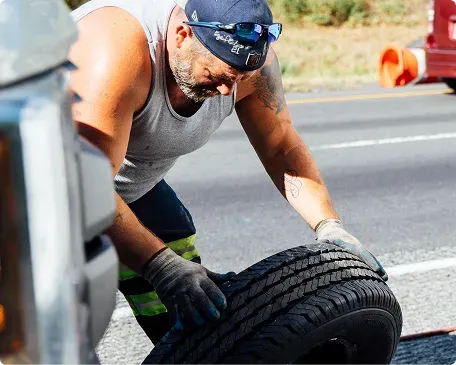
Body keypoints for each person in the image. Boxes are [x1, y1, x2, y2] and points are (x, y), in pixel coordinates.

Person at [68, 0, 388, 345]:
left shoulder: (249, 65)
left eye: (239, 79)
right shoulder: (112, 50)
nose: (226, 92)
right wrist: (160, 266)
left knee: (196, 304)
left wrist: (329, 226)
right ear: (181, 35)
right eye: (217, 76)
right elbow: (84, 185)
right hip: (32, 190)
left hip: (129, 187)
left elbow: (280, 146)